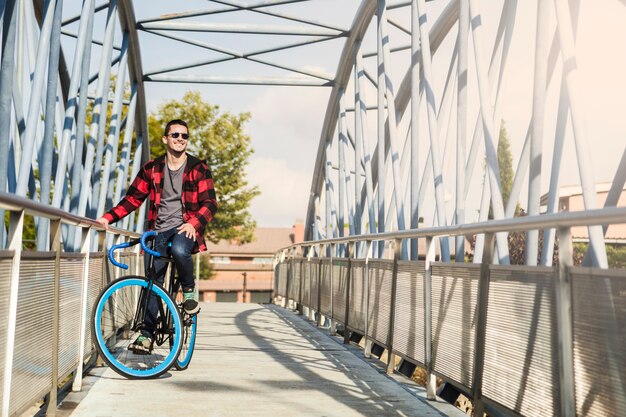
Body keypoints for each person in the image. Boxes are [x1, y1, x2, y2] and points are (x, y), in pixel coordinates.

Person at [96, 119, 218, 353]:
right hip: (158, 230)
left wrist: (194, 222)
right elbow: (132, 198)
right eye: (175, 135)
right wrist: (107, 218)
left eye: (184, 136)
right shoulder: (152, 169)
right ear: (165, 139)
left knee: (180, 250)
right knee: (152, 283)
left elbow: (211, 203)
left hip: (184, 228)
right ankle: (146, 335)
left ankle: (189, 291)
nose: (180, 139)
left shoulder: (197, 168)